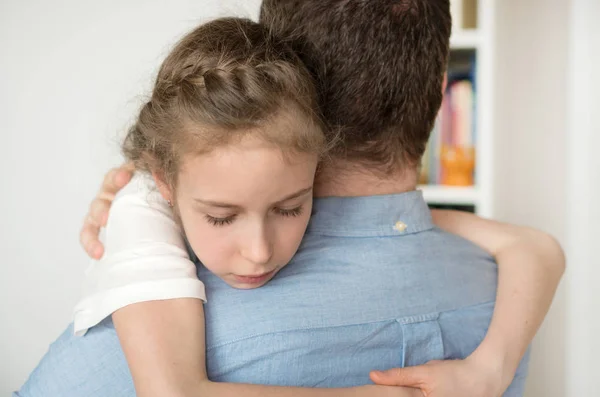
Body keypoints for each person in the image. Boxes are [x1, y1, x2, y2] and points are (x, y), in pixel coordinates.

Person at [17, 2, 565, 397]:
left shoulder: (161, 324)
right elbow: (534, 246)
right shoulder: (499, 296)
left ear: (302, 92)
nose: (256, 252)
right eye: (221, 215)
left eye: (286, 207)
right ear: (441, 84)